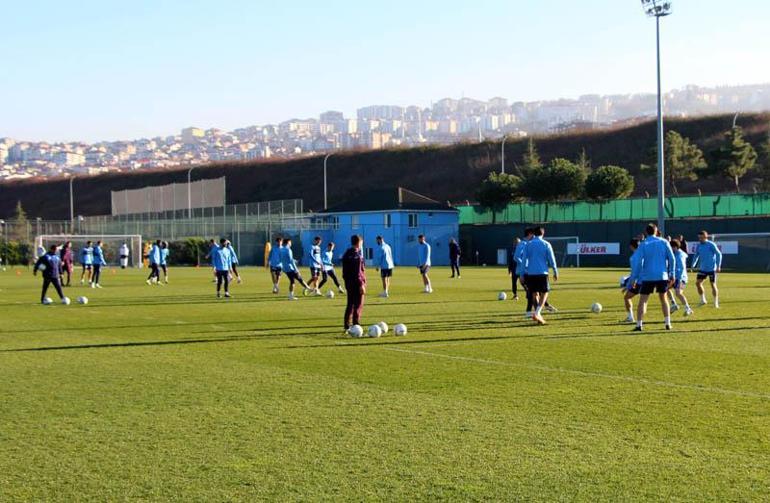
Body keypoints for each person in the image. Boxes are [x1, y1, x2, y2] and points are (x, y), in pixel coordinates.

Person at [630, 223, 676, 332]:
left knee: (643, 301)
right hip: (662, 275)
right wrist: (672, 274)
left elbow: (638, 263)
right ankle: (667, 323)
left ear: (646, 232)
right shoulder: (664, 242)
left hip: (648, 276)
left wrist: (634, 278)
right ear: (656, 231)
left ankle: (639, 325)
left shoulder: (643, 244)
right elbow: (672, 259)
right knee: (663, 299)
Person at [522, 226, 558, 325]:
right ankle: (537, 313)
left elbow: (524, 260)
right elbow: (552, 259)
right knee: (545, 292)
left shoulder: (528, 244)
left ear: (534, 234)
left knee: (534, 294)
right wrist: (555, 271)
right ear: (543, 234)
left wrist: (521, 274)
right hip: (542, 273)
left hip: (530, 273)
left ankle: (538, 316)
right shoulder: (546, 244)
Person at [342, 234, 367, 332]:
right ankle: (356, 325)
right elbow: (358, 272)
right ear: (359, 243)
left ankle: (346, 325)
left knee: (350, 304)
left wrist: (347, 282)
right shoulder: (357, 255)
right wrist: (361, 284)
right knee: (358, 304)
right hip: (356, 283)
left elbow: (345, 271)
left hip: (348, 283)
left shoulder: (346, 253)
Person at [692, 230, 723, 308]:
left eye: (701, 238)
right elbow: (696, 255)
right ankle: (703, 300)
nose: (700, 239)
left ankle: (716, 303)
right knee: (698, 283)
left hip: (712, 269)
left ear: (705, 237)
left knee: (713, 284)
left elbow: (719, 254)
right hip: (703, 268)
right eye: (699, 238)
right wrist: (693, 264)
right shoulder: (699, 245)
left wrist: (718, 266)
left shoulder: (711, 244)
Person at [670, 239, 694, 316]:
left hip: (681, 278)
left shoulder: (680, 255)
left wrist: (679, 279)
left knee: (678, 293)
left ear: (676, 247)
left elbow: (682, 268)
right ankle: (673, 304)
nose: (671, 249)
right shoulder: (674, 254)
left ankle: (688, 308)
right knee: (665, 288)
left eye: (672, 247)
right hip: (674, 277)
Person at [620, 239, 641, 323]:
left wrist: (628, 286)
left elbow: (634, 273)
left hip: (640, 281)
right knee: (644, 299)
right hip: (648, 279)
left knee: (627, 297)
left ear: (631, 246)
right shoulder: (643, 254)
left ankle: (631, 318)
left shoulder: (633, 257)